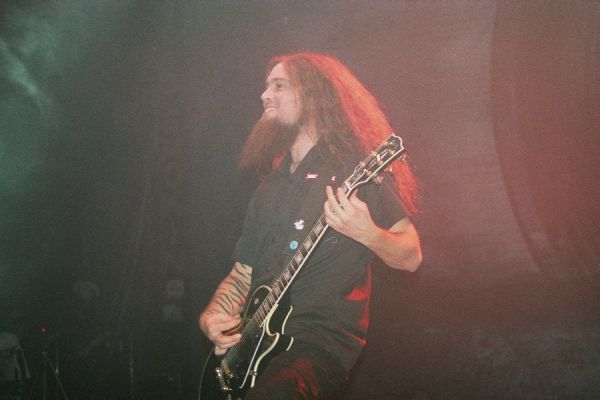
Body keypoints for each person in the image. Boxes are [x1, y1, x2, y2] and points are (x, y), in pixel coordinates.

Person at [198, 52, 422, 400]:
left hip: (317, 343)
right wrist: (213, 315)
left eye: (279, 86)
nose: (264, 95)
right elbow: (244, 273)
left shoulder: (355, 170)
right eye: (266, 86)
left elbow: (411, 256)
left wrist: (368, 233)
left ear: (314, 96)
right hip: (255, 349)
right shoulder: (270, 188)